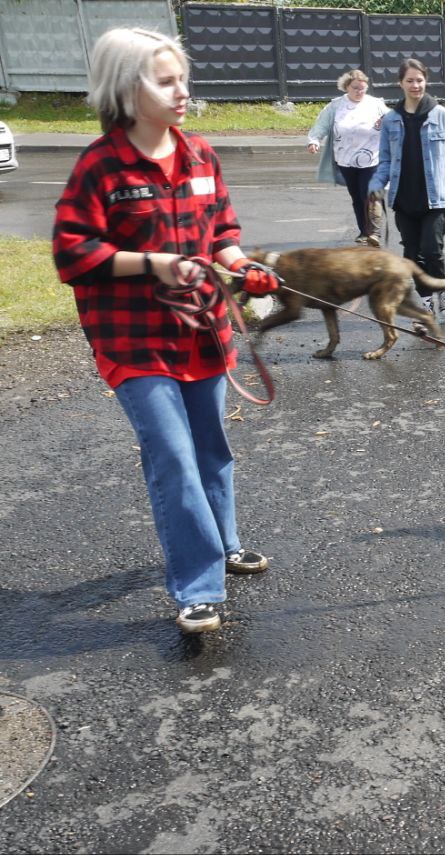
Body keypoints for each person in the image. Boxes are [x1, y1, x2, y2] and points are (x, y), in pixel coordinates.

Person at [51, 27, 281, 635]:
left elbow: (222, 233)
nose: (182, 92)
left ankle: (226, 542)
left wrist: (244, 268)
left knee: (210, 447)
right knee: (174, 458)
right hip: (133, 342)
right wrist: (154, 263)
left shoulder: (201, 155)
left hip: (202, 332)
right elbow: (72, 255)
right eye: (166, 80)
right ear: (128, 88)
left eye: (183, 78)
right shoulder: (99, 166)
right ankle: (198, 586)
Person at [369, 58, 445, 319]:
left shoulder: (442, 116)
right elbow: (386, 160)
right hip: (404, 200)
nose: (415, 85)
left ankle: (442, 286)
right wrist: (375, 186)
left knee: (432, 250)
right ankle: (426, 301)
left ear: (426, 81)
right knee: (412, 254)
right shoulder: (390, 120)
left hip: (435, 200)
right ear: (400, 83)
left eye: (420, 80)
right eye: (410, 80)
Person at [307, 69, 389, 246]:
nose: (360, 92)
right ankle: (364, 231)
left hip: (373, 160)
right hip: (346, 160)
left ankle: (375, 233)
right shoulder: (336, 106)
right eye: (355, 88)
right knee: (358, 197)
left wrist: (388, 122)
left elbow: (393, 120)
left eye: (363, 88)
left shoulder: (376, 104)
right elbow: (321, 125)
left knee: (372, 194)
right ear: (346, 87)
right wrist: (314, 141)